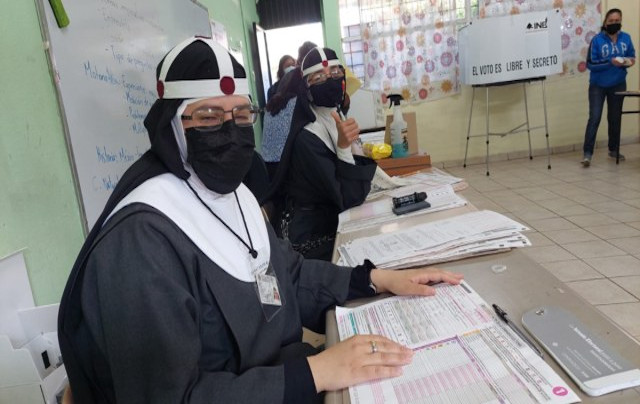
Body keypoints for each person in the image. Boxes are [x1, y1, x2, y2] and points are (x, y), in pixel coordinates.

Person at [57, 36, 464, 403]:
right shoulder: (142, 241)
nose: (230, 130)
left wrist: (374, 279)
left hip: (288, 378)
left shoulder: (236, 195)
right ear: (173, 127)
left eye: (240, 114)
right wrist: (315, 372)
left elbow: (290, 276)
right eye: (209, 117)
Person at [266, 47, 377, 261]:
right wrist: (344, 146)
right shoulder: (307, 138)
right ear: (306, 88)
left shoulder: (333, 116)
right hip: (308, 238)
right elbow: (348, 198)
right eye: (319, 77)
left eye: (336, 73)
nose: (330, 80)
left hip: (330, 219)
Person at [581, 8, 635, 167]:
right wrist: (610, 62)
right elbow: (590, 64)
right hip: (598, 85)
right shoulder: (597, 40)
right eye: (611, 21)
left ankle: (613, 149)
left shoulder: (626, 38)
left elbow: (632, 57)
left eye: (617, 21)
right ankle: (587, 153)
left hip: (618, 83)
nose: (614, 23)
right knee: (595, 118)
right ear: (605, 22)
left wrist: (627, 62)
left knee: (615, 118)